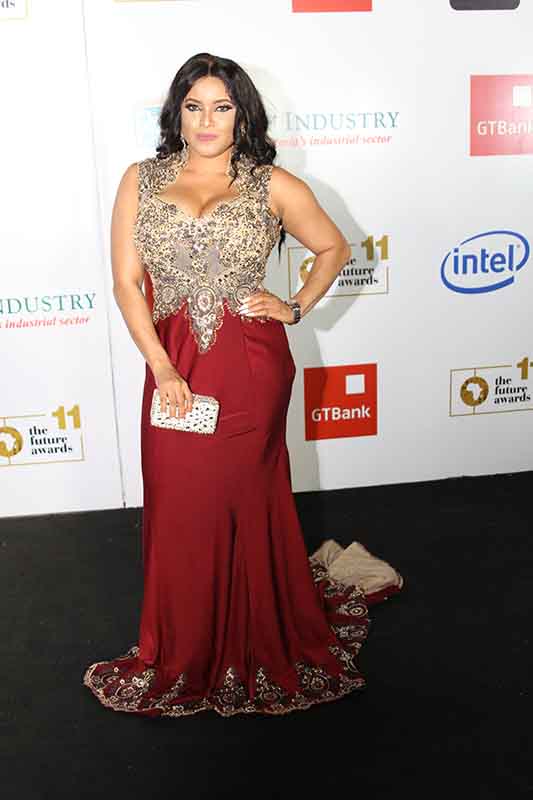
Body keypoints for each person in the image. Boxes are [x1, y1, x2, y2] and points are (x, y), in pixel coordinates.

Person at [83, 52, 403, 718]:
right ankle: (182, 647)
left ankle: (258, 635)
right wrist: (161, 367)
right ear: (176, 113)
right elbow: (125, 282)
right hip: (173, 359)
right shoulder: (140, 179)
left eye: (221, 107)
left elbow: (334, 248)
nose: (207, 121)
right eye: (194, 106)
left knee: (243, 497)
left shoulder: (272, 184)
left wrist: (295, 305)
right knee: (178, 500)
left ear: (242, 114)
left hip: (252, 364)